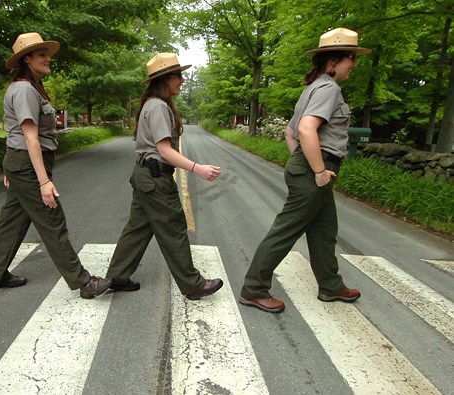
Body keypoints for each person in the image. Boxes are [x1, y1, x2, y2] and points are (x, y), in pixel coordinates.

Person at [238, 28, 371, 313]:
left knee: (324, 231)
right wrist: (318, 170)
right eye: (351, 57)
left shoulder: (312, 88)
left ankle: (331, 286)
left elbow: (289, 133)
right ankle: (254, 289)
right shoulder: (328, 89)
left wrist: (300, 160)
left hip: (308, 167)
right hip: (316, 170)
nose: (355, 64)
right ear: (333, 61)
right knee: (284, 232)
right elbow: (304, 129)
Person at [0, 32, 111, 299]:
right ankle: (83, 282)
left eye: (47, 53)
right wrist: (43, 181)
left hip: (21, 163)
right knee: (53, 222)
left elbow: (16, 136)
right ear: (26, 59)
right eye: (41, 54)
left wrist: (12, 169)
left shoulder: (31, 88)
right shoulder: (24, 90)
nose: (47, 58)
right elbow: (29, 137)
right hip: (28, 165)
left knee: (12, 222)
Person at [104, 53, 223, 300]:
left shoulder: (153, 104)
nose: (181, 79)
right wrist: (197, 167)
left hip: (145, 175)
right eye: (177, 75)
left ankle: (117, 276)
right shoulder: (158, 106)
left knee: (138, 227)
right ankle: (193, 284)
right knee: (174, 226)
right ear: (165, 79)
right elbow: (164, 150)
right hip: (155, 178)